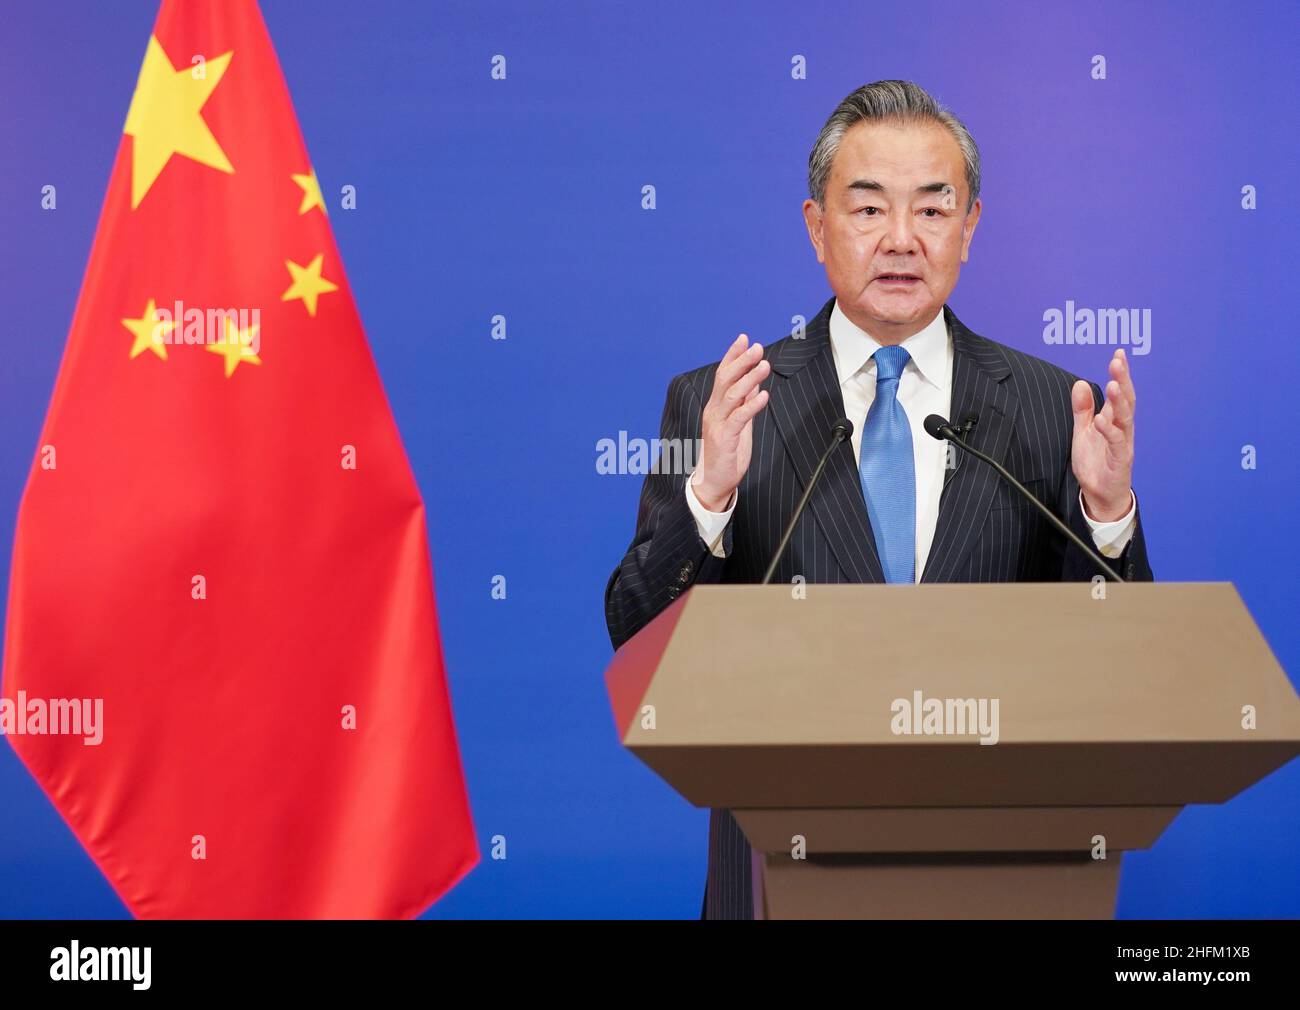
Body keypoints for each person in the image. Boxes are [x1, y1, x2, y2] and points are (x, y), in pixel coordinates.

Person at [603, 80, 1153, 920]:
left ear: (970, 228)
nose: (901, 239)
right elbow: (639, 644)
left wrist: (1108, 517)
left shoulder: (1053, 408)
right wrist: (709, 492)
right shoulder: (724, 404)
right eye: (867, 210)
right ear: (816, 227)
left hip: (999, 877)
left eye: (933, 211)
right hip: (776, 878)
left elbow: (1124, 673)